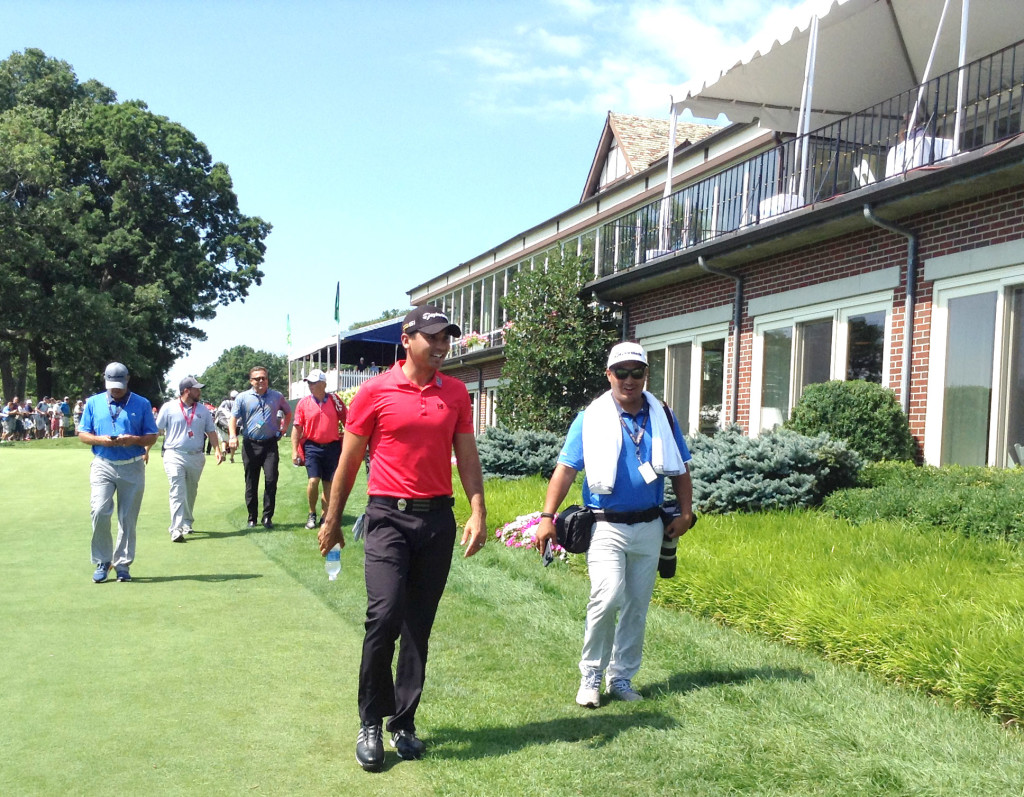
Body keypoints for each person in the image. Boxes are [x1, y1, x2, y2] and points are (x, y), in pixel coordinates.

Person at [319, 304, 487, 772]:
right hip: (387, 518)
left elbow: (467, 456)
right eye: (432, 337)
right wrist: (332, 521)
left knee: (418, 625)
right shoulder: (374, 391)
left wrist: (478, 510)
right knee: (385, 615)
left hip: (436, 521)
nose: (440, 346)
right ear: (407, 339)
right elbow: (348, 464)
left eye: (446, 338)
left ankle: (404, 723)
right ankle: (371, 720)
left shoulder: (454, 393)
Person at [534, 341, 694, 708]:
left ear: (645, 376)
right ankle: (591, 673)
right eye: (621, 372)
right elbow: (566, 469)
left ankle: (621, 677)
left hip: (650, 526)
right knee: (606, 597)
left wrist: (685, 513)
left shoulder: (662, 416)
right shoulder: (590, 417)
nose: (629, 379)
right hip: (605, 526)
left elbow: (681, 468)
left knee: (638, 604)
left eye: (637, 372)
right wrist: (547, 517)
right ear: (609, 375)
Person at [77, 361, 159, 583]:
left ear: (128, 380)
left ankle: (122, 563)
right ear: (105, 380)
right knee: (99, 510)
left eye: (120, 385)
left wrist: (134, 440)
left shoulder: (142, 403)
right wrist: (99, 440)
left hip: (132, 464)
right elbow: (83, 434)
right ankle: (103, 560)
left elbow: (152, 435)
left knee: (127, 517)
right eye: (112, 384)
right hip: (103, 463)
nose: (116, 389)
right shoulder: (93, 402)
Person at [155, 377, 223, 543]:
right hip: (174, 454)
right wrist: (146, 449)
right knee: (177, 489)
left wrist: (217, 449)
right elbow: (157, 430)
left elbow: (211, 432)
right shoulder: (169, 407)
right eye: (196, 389)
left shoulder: (203, 410)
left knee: (190, 490)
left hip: (196, 456)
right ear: (186, 390)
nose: (199, 392)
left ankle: (187, 521)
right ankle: (176, 529)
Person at [228, 365, 292, 529]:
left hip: (270, 445)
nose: (261, 381)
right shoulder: (242, 398)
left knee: (271, 480)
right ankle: (252, 517)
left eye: (264, 377)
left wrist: (284, 428)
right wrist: (233, 436)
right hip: (250, 444)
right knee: (251, 482)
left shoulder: (276, 396)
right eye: (257, 378)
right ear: (251, 381)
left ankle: (267, 517)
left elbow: (288, 412)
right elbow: (233, 419)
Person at [291, 368, 346, 529]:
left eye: (314, 383)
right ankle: (311, 513)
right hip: (312, 447)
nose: (311, 386)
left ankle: (325, 515)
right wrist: (295, 450)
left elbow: (347, 420)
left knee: (329, 484)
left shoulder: (335, 401)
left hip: (332, 447)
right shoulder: (303, 403)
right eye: (309, 383)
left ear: (323, 384)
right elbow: (297, 428)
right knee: (313, 481)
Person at [215, 390, 238, 463]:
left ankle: (224, 450)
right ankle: (231, 457)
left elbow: (218, 411)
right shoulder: (238, 403)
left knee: (224, 439)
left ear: (231, 397)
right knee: (233, 439)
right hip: (234, 424)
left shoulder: (225, 402)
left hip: (223, 423)